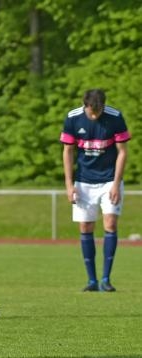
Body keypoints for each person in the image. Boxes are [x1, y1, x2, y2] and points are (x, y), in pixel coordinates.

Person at [60, 89, 130, 292]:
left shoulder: (115, 117)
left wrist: (116, 183)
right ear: (85, 105)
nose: (95, 115)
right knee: (85, 227)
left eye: (98, 111)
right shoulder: (73, 118)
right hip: (83, 181)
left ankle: (106, 279)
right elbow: (67, 151)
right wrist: (68, 183)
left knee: (110, 222)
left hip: (109, 179)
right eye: (92, 111)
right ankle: (91, 281)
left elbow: (123, 151)